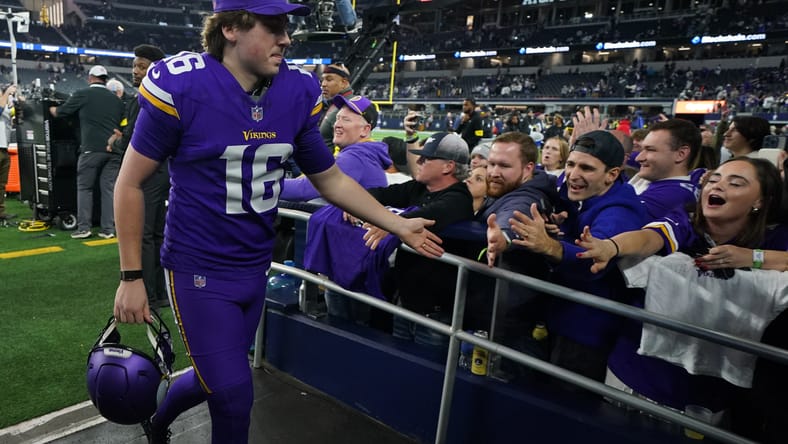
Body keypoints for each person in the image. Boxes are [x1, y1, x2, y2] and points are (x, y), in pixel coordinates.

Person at [111, 2, 441, 442]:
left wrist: (398, 225)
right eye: (272, 26)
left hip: (254, 266)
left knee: (219, 378)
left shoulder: (295, 91)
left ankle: (158, 423)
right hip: (199, 267)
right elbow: (129, 183)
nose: (286, 38)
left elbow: (330, 179)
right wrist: (132, 275)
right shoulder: (184, 86)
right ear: (229, 28)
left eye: (286, 26)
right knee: (233, 397)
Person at [576, 157, 788, 423]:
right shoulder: (685, 220)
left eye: (735, 183)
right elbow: (649, 238)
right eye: (713, 180)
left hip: (706, 391)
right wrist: (612, 247)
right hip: (637, 370)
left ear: (761, 201)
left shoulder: (775, 237)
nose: (718, 187)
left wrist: (752, 258)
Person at [487, 130, 647, 381]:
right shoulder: (586, 195)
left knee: (566, 402)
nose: (573, 175)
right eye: (571, 164)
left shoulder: (620, 210)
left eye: (586, 168)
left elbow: (593, 259)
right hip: (560, 319)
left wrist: (550, 245)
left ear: (612, 175)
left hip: (585, 332)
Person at [107, 44, 167, 309]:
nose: (135, 71)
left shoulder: (145, 98)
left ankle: (150, 295)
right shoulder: (166, 95)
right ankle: (161, 292)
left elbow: (133, 139)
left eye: (142, 66)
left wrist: (116, 143)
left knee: (145, 234)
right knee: (158, 235)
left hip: (148, 174)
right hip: (164, 172)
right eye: (134, 66)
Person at [49, 65, 125, 239]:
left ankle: (84, 228)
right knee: (108, 190)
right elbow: (123, 126)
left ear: (90, 78)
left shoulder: (83, 94)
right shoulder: (116, 100)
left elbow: (62, 112)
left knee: (85, 188)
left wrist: (52, 109)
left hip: (91, 150)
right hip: (113, 150)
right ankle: (108, 229)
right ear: (105, 79)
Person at [281, 94, 389, 202]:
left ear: (365, 130)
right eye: (338, 118)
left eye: (346, 120)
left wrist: (267, 183)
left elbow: (304, 189)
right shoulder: (364, 152)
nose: (337, 124)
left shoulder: (357, 156)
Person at [627, 119, 702, 220]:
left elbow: (613, 221)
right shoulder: (668, 186)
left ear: (681, 154)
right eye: (642, 149)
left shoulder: (673, 195)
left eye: (650, 150)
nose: (639, 158)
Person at [318, 63, 352, 149]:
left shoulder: (349, 106)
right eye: (322, 80)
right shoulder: (332, 104)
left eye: (329, 80)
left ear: (343, 83)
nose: (323, 84)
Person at [0, 83, 17, 221]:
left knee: (1, 183)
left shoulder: (5, 107)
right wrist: (7, 93)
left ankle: (0, 211)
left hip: (4, 147)